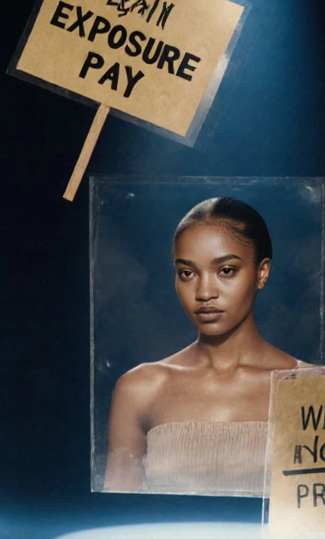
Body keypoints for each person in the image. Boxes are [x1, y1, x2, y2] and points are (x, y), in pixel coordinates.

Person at [104, 197, 299, 495]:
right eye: (187, 273)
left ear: (262, 272)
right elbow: (116, 514)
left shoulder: (311, 386)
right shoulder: (140, 389)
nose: (204, 292)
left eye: (226, 270)